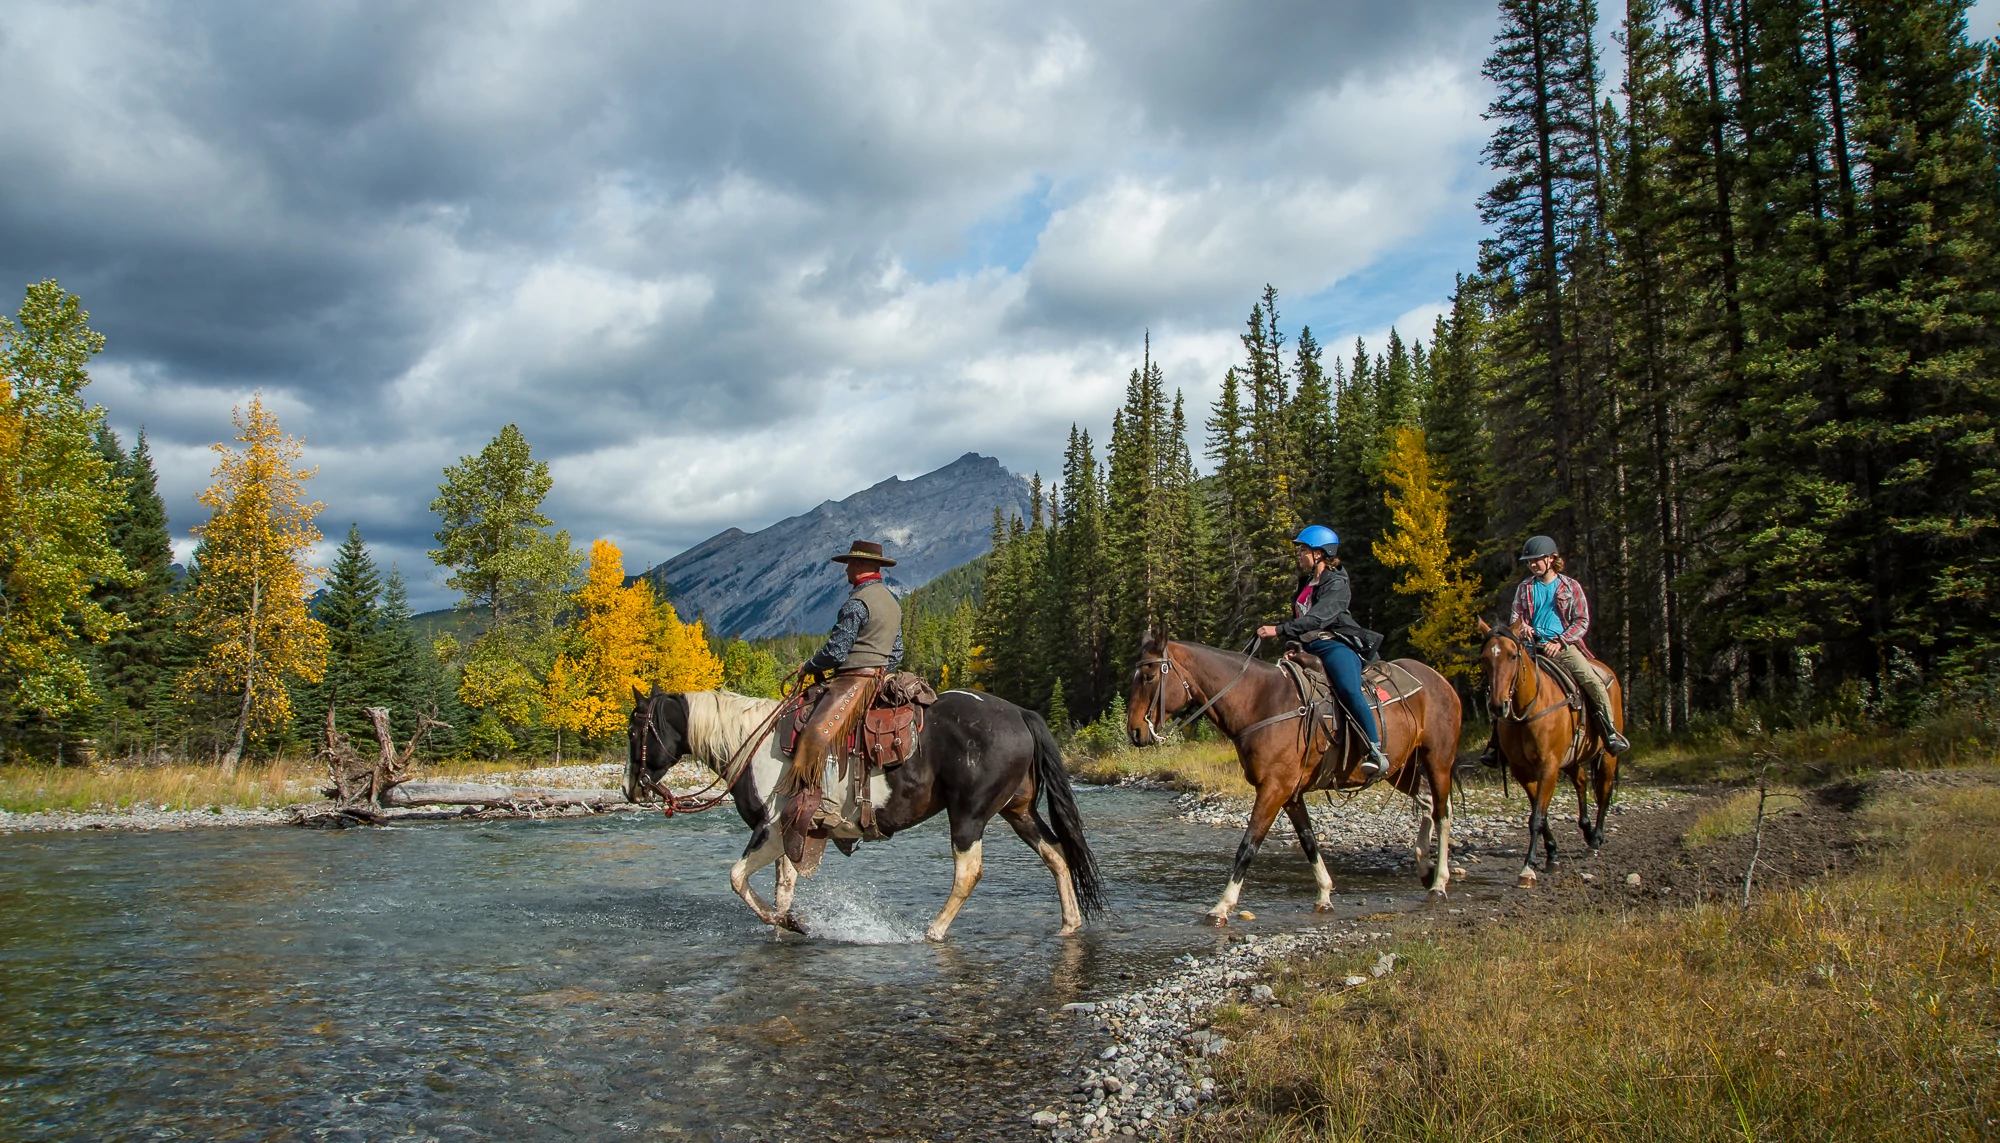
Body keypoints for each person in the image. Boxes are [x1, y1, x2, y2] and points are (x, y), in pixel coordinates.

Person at [781, 540, 904, 857]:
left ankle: (818, 805)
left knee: (815, 733)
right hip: (880, 677)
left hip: (854, 681)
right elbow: (897, 651)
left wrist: (808, 666)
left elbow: (836, 651)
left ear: (862, 567)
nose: (847, 570)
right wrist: (880, 671)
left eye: (850, 564)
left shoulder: (857, 603)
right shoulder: (892, 603)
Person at [1479, 535, 1630, 764]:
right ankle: (1498, 744)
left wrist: (1560, 641)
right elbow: (1516, 618)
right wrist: (1523, 629)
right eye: (1530, 562)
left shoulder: (1571, 587)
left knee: (1591, 680)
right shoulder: (1525, 588)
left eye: (1537, 560)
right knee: (1502, 684)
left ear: (1551, 559)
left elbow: (1581, 620)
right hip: (1530, 648)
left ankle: (1609, 731)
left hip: (1563, 647)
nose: (1533, 565)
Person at [1256, 525, 1389, 779]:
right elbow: (1302, 618)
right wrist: (1293, 645)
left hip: (1333, 645)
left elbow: (1317, 619)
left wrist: (1279, 629)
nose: (1299, 555)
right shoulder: (1307, 583)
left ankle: (1374, 750)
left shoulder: (1338, 585)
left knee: (1349, 689)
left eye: (1304, 550)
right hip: (1307, 647)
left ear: (1320, 553)